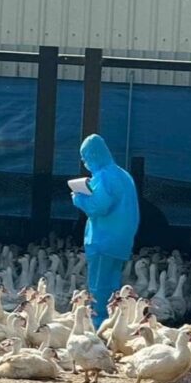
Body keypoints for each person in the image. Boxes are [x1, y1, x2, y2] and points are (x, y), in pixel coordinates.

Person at [72, 134, 139, 328]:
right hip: (121, 240)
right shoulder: (123, 175)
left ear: (93, 155)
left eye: (85, 157)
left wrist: (78, 198)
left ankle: (98, 325)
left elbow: (98, 206)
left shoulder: (104, 176)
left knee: (98, 287)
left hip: (103, 239)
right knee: (113, 286)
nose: (84, 162)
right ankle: (113, 324)